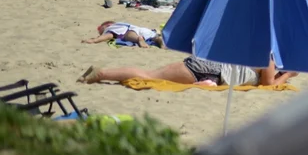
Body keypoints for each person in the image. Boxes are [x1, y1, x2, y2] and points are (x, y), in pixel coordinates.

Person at [78, 56, 296, 88]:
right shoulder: (268, 58)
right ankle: (102, 74)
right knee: (150, 76)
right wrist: (288, 75)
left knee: (151, 73)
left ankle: (103, 72)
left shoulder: (257, 50)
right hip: (209, 72)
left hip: (206, 65)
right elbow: (268, 86)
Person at [81, 21, 163, 48]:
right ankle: (158, 39)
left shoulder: (111, 28)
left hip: (131, 32)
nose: (101, 33)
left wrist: (94, 40)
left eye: (101, 30)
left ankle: (139, 39)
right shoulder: (122, 24)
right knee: (152, 36)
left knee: (129, 35)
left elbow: (109, 36)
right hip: (143, 29)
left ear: (107, 25)